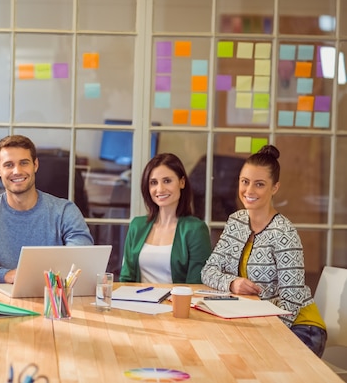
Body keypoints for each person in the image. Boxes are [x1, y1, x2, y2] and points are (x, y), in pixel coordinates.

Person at [201, 145, 327, 357]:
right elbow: (208, 271)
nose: (249, 191)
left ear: (274, 188)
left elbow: (292, 300)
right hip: (254, 320)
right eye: (245, 181)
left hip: (300, 326)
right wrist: (233, 283)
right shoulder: (236, 222)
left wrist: (263, 336)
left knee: (254, 359)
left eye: (259, 184)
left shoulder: (284, 233)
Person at [0, 135, 94, 284]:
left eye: (24, 163)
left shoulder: (65, 211)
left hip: (49, 299)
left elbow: (81, 257)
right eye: (9, 165)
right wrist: (7, 275)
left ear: (35, 165)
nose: (17, 171)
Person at [119, 153, 211, 284]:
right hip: (138, 302)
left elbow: (196, 285)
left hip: (176, 303)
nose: (160, 189)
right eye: (153, 182)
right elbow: (126, 279)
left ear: (182, 182)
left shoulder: (196, 230)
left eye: (167, 181)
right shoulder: (137, 226)